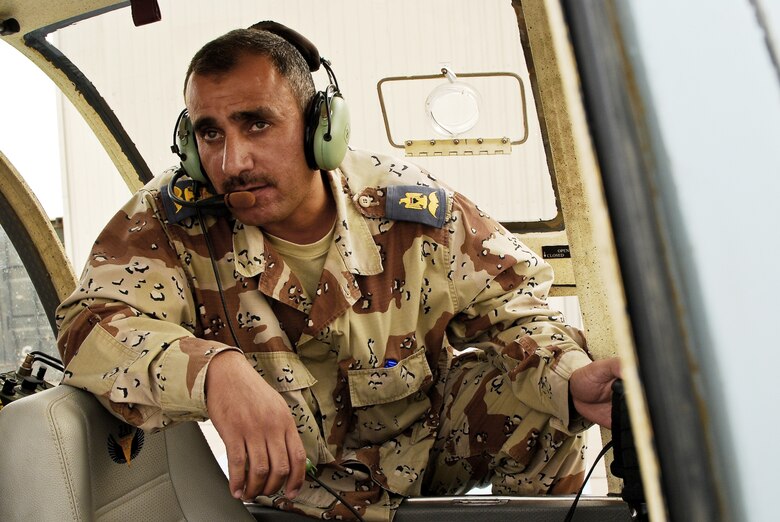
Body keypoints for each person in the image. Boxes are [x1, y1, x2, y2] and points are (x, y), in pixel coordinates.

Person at [55, 24, 622, 521]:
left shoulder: (406, 206)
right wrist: (214, 373)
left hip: (426, 462)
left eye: (256, 124)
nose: (232, 162)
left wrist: (571, 378)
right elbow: (89, 323)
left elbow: (516, 305)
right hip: (295, 497)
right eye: (209, 133)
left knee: (546, 405)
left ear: (320, 130)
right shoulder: (173, 217)